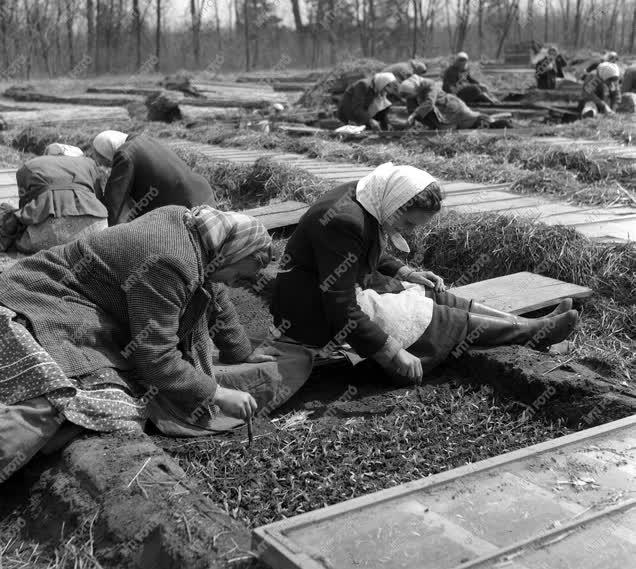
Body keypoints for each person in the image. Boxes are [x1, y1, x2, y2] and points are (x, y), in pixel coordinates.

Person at [0, 205, 284, 489]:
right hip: (39, 300)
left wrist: (242, 352)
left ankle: (47, 444)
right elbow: (156, 358)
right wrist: (216, 392)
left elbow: (217, 295)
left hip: (79, 302)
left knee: (108, 400)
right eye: (240, 275)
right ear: (232, 253)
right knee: (74, 399)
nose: (235, 284)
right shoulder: (171, 259)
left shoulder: (197, 230)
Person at [271, 163, 578, 385]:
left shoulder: (368, 195)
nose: (410, 233)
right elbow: (339, 306)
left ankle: (527, 324)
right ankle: (531, 333)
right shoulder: (345, 220)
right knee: (431, 315)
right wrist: (391, 352)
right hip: (312, 313)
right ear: (395, 205)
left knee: (431, 291)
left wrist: (408, 272)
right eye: (409, 225)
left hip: (333, 287)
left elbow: (359, 252)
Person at [0, 153, 108, 254]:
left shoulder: (28, 167)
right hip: (96, 233)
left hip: (51, 239)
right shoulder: (88, 163)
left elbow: (25, 207)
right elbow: (98, 197)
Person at [92, 131, 216, 226]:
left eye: (108, 162)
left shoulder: (125, 154)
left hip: (185, 204)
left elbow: (115, 200)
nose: (110, 166)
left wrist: (107, 235)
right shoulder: (144, 139)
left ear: (109, 151)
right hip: (202, 193)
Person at [399, 74, 485, 130]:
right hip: (440, 112)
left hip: (452, 106)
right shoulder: (411, 90)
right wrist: (410, 121)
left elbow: (429, 103)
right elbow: (411, 109)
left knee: (472, 122)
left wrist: (414, 114)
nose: (409, 98)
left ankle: (492, 123)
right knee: (447, 128)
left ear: (415, 90)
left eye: (410, 96)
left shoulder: (429, 85)